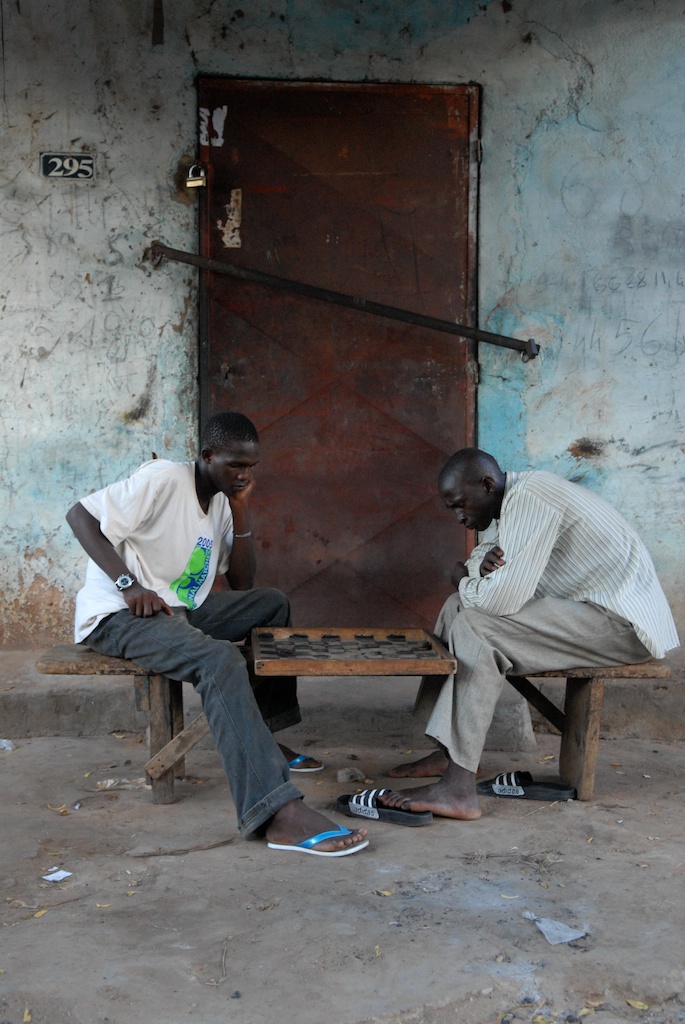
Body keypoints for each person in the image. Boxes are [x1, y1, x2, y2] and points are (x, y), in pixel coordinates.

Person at [66, 411, 368, 857]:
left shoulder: (225, 500)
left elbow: (243, 582)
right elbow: (80, 516)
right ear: (207, 456)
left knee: (272, 604)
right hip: (120, 614)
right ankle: (276, 813)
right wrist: (129, 586)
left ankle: (264, 738)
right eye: (235, 465)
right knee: (220, 661)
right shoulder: (166, 479)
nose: (244, 475)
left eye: (251, 467)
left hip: (181, 608)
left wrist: (242, 506)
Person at [380, 448, 679, 820]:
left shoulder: (533, 496)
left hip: (621, 625)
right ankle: (448, 751)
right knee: (455, 608)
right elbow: (483, 564)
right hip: (585, 612)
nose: (459, 517)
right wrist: (472, 573)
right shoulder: (505, 506)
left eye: (460, 505)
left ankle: (458, 789)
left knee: (476, 625)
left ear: (487, 484)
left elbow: (500, 597)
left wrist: (461, 577)